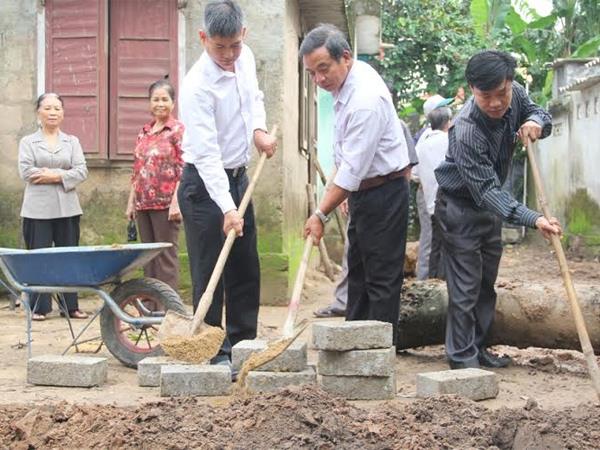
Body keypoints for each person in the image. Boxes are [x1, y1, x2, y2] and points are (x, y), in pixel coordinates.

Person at [434, 50, 561, 369]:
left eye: (500, 93)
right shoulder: (465, 130)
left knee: (485, 284)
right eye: (484, 96)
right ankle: (461, 360)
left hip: (489, 208)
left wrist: (534, 122)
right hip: (460, 207)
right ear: (471, 90)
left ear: (510, 83)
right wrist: (534, 219)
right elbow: (487, 191)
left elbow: (541, 114)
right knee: (464, 287)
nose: (494, 103)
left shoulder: (516, 94)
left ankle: (478, 349)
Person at [177, 0, 276, 366]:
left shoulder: (244, 58)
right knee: (210, 272)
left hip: (239, 178)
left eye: (234, 45)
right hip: (203, 187)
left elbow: (254, 100)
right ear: (204, 38)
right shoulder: (196, 86)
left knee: (245, 267)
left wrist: (259, 131)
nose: (229, 55)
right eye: (220, 47)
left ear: (243, 35)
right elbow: (205, 155)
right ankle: (213, 353)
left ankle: (242, 347)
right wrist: (227, 208)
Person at [301, 24, 411, 346]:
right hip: (365, 190)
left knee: (381, 279)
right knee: (358, 274)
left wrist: (320, 214)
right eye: (311, 73)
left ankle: (377, 354)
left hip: (385, 193)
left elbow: (351, 169)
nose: (319, 80)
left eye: (324, 69)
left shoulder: (365, 99)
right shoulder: (346, 84)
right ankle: (354, 346)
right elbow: (346, 160)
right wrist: (349, 194)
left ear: (345, 58)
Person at [314, 120, 418, 318]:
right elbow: (344, 166)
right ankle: (352, 325)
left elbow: (406, 169)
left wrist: (320, 213)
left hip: (386, 196)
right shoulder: (347, 117)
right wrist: (343, 195)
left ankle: (379, 341)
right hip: (356, 194)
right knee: (356, 266)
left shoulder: (397, 126)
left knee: (381, 274)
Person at [18, 93, 89, 321]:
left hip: (67, 208)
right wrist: (63, 175)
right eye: (48, 108)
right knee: (40, 257)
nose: (53, 112)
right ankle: (39, 307)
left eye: (57, 108)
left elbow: (81, 171)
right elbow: (26, 172)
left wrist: (52, 176)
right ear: (39, 112)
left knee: (69, 256)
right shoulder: (28, 142)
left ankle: (70, 306)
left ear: (63, 113)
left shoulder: (72, 142)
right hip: (36, 210)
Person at [126, 79, 184, 291]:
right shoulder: (144, 131)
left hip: (166, 204)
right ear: (149, 103)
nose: (160, 103)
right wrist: (131, 202)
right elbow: (137, 169)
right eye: (155, 99)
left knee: (165, 256)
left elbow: (183, 168)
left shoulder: (177, 130)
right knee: (147, 256)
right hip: (143, 203)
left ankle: (168, 307)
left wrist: (177, 203)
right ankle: (150, 302)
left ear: (173, 103)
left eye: (164, 99)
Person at [413, 106, 452, 280]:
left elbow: (414, 173)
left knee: (432, 242)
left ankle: (428, 280)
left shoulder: (422, 144)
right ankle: (445, 280)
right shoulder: (450, 141)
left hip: (429, 201)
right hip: (449, 202)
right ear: (447, 122)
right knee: (450, 243)